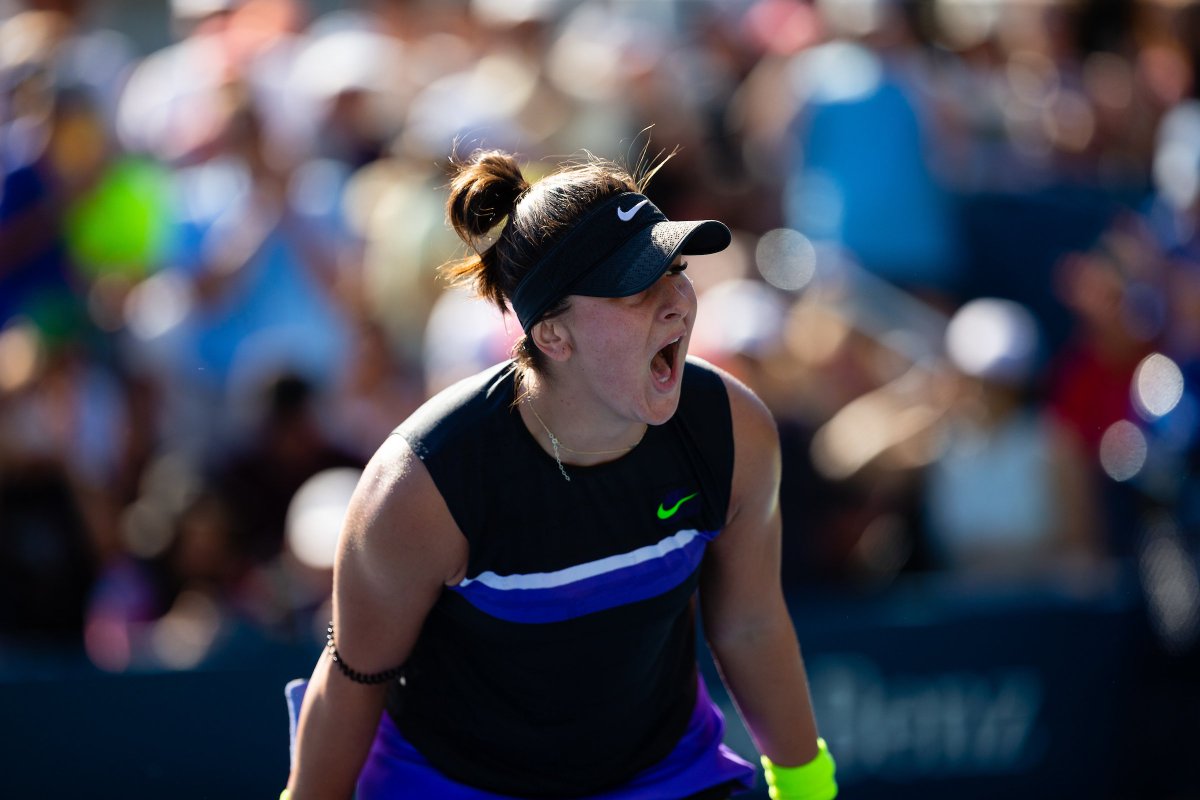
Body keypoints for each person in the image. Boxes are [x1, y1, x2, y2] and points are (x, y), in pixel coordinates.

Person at [284, 149, 836, 800]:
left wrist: (808, 788)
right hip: (451, 784)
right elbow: (355, 675)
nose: (677, 303)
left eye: (676, 270)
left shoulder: (734, 430)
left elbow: (749, 623)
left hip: (659, 774)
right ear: (552, 335)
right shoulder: (422, 487)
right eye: (636, 286)